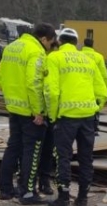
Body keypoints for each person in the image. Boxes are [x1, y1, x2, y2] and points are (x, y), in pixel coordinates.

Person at [45, 28, 107, 206]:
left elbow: (52, 91)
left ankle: (63, 199)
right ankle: (82, 198)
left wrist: (53, 115)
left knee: (63, 157)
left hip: (66, 117)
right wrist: (96, 108)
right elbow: (102, 91)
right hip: (88, 117)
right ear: (76, 42)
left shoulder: (54, 58)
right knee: (86, 158)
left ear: (61, 41)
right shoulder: (88, 60)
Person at [0, 23, 57, 204]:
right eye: (50, 42)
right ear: (44, 38)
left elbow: (0, 79)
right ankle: (27, 192)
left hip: (13, 107)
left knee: (13, 147)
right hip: (30, 111)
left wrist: (12, 96)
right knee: (32, 150)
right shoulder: (35, 52)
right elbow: (33, 83)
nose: (49, 47)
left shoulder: (11, 47)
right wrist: (38, 111)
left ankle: (5, 188)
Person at [38, 39, 60, 196]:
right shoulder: (41, 63)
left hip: (53, 115)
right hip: (40, 114)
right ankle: (27, 182)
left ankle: (44, 181)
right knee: (34, 150)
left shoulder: (58, 66)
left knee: (48, 151)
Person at [81, 38, 107, 135]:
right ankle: (94, 128)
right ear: (93, 45)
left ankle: (81, 126)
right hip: (95, 86)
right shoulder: (98, 57)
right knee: (95, 107)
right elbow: (104, 74)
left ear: (83, 44)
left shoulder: (78, 55)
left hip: (82, 84)